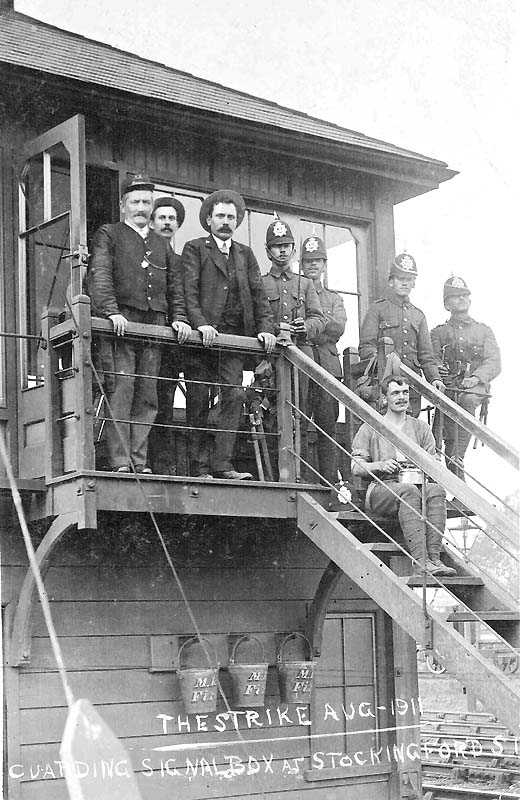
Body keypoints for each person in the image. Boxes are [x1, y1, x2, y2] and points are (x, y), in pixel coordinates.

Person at [88, 175, 190, 473]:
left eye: (146, 202)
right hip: (122, 321)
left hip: (155, 323)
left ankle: (138, 461)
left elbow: (175, 288)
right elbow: (101, 273)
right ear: (123, 206)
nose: (141, 207)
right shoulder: (110, 233)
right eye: (135, 202)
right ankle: (121, 461)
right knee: (122, 389)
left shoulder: (161, 243)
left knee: (147, 393)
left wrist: (180, 318)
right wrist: (110, 311)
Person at [182, 189, 276, 480]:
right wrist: (200, 323)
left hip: (234, 342)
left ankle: (222, 464)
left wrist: (265, 329)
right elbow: (189, 292)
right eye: (220, 216)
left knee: (233, 396)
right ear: (209, 219)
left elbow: (259, 296)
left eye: (231, 217)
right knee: (198, 398)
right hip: (202, 340)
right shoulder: (195, 248)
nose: (225, 222)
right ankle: (199, 468)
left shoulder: (245, 255)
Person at [351, 374, 456, 576]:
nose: (401, 397)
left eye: (405, 392)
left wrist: (427, 464)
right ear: (384, 399)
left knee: (436, 490)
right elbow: (356, 467)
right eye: (395, 393)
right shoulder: (371, 426)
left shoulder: (420, 427)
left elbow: (433, 461)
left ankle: (434, 559)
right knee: (408, 492)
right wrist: (380, 465)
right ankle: (421, 563)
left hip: (415, 486)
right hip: (381, 490)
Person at [262, 219, 325, 479]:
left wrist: (305, 328)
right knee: (271, 414)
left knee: (298, 415)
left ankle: (297, 473)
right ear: (268, 251)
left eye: (287, 246)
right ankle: (277, 475)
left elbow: (319, 319)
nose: (283, 251)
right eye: (277, 247)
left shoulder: (306, 284)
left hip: (300, 357)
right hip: (270, 358)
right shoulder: (261, 282)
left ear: (293, 251)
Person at [431, 276, 501, 478]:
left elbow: (494, 361)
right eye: (455, 296)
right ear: (446, 304)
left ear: (470, 300)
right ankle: (456, 479)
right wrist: (438, 370)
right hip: (450, 386)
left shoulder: (483, 331)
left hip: (474, 388)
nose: (461, 299)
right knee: (443, 427)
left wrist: (477, 378)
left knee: (467, 399)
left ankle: (457, 456)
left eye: (464, 295)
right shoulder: (439, 332)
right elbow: (431, 357)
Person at [358, 253, 444, 417]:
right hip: (384, 385)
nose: (405, 282)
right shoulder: (378, 309)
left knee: (410, 432)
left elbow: (426, 355)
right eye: (400, 278)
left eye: (409, 279)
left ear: (413, 283)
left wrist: (435, 379)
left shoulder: (418, 316)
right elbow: (366, 347)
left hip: (411, 386)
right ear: (391, 281)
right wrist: (384, 360)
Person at [300, 235, 346, 486]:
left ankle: (330, 482)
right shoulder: (299, 290)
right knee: (300, 419)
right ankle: (304, 478)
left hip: (328, 367)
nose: (313, 266)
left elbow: (338, 327)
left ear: (325, 264)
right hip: (304, 363)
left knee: (328, 425)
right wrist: (320, 324)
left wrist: (315, 323)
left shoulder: (334, 298)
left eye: (318, 261)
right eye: (308, 261)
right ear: (302, 265)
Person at [147, 195, 187, 474]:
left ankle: (162, 463)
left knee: (165, 401)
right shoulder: (143, 255)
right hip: (147, 336)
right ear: (152, 222)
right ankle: (142, 461)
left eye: (172, 218)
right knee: (143, 398)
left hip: (172, 343)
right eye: (161, 217)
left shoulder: (180, 261)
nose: (167, 223)